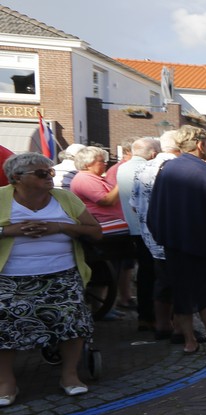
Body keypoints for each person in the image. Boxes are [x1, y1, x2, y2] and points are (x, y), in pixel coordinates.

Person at [0, 151, 103, 405]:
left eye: (50, 172)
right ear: (17, 178)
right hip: (10, 277)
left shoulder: (64, 198)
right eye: (41, 173)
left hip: (62, 274)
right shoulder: (1, 197)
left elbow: (95, 231)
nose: (49, 177)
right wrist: (8, 230)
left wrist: (60, 227)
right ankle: (6, 382)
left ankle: (69, 375)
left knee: (72, 320)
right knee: (3, 323)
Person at [146, 126, 206, 357]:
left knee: (182, 293)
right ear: (200, 144)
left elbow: (156, 206)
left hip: (174, 243)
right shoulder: (205, 170)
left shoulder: (167, 168)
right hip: (201, 243)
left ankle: (189, 341)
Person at [70, 145, 134, 313]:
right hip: (103, 225)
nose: (105, 163)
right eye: (101, 161)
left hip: (110, 224)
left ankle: (113, 301)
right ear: (88, 164)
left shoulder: (94, 178)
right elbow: (105, 200)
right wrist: (121, 183)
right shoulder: (85, 179)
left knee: (115, 265)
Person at [132, 131, 181, 341]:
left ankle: (160, 324)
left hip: (150, 236)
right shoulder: (179, 168)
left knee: (156, 279)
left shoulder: (142, 168)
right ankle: (181, 328)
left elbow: (134, 205)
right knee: (180, 283)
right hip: (176, 237)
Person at [116, 138, 160, 333]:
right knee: (155, 275)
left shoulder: (121, 168)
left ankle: (145, 316)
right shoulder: (149, 169)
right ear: (153, 154)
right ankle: (154, 317)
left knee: (144, 274)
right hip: (149, 230)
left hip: (133, 228)